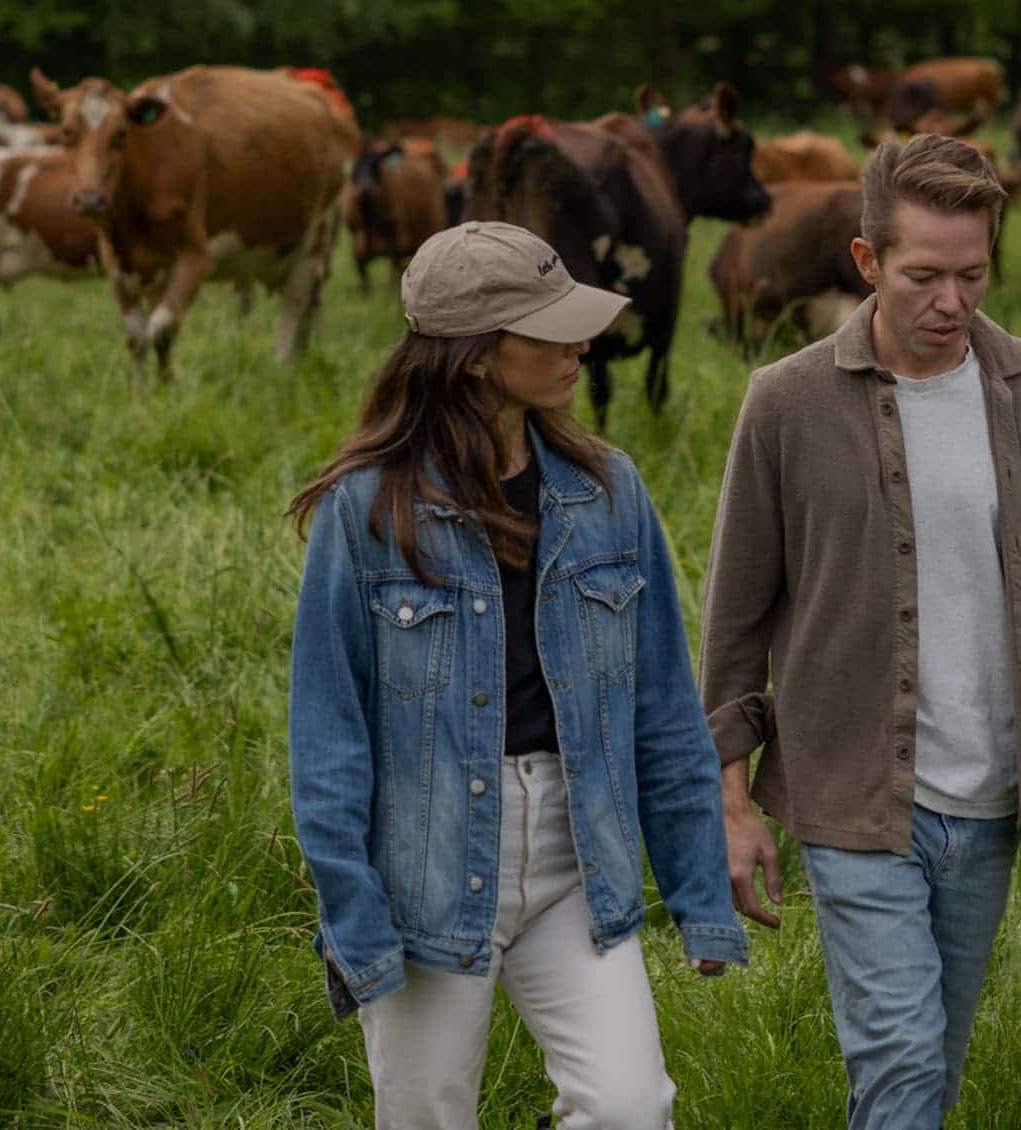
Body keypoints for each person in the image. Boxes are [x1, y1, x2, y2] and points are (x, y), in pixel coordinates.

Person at [699, 134, 1021, 1129]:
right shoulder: (787, 403)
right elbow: (732, 625)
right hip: (852, 795)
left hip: (990, 797)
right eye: (924, 276)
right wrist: (731, 802)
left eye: (974, 275)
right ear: (867, 262)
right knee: (900, 1063)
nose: (952, 301)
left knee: (928, 1073)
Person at [287, 221, 744, 1130]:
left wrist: (699, 892)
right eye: (551, 327)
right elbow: (327, 731)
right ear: (477, 356)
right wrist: (351, 906)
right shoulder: (366, 509)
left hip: (577, 856)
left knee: (629, 1109)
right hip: (425, 864)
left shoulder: (609, 490)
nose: (583, 342)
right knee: (426, 1116)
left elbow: (661, 706)